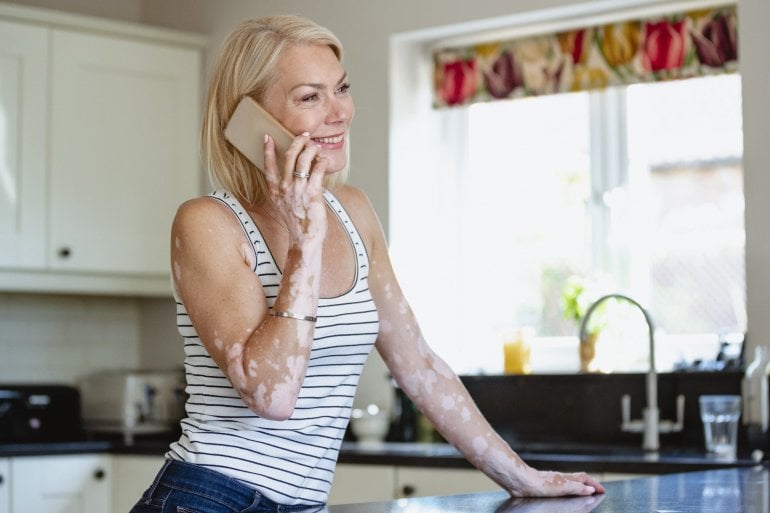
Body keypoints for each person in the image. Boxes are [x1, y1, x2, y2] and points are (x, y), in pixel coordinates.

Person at [129, 14, 605, 513]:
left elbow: (419, 364)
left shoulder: (352, 211)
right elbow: (271, 396)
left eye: (342, 88)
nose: (340, 112)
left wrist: (521, 475)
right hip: (206, 498)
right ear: (250, 119)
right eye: (310, 97)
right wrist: (306, 240)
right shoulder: (207, 223)